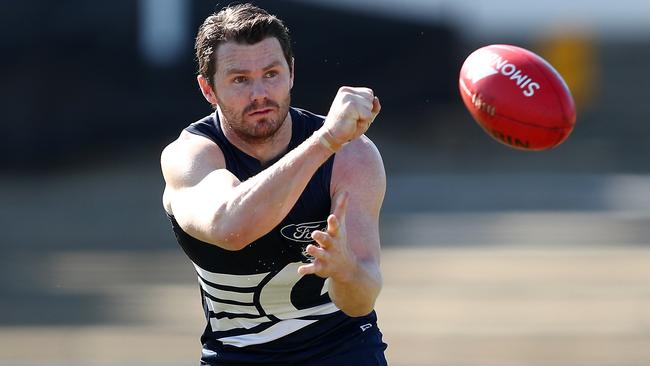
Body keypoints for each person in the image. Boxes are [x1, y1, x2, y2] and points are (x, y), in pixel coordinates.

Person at [160, 3, 387, 365]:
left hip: (341, 351)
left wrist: (345, 270)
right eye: (239, 79)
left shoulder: (352, 155)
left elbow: (362, 300)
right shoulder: (191, 157)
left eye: (271, 73)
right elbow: (230, 228)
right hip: (236, 355)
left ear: (292, 72)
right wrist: (324, 142)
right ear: (208, 88)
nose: (259, 94)